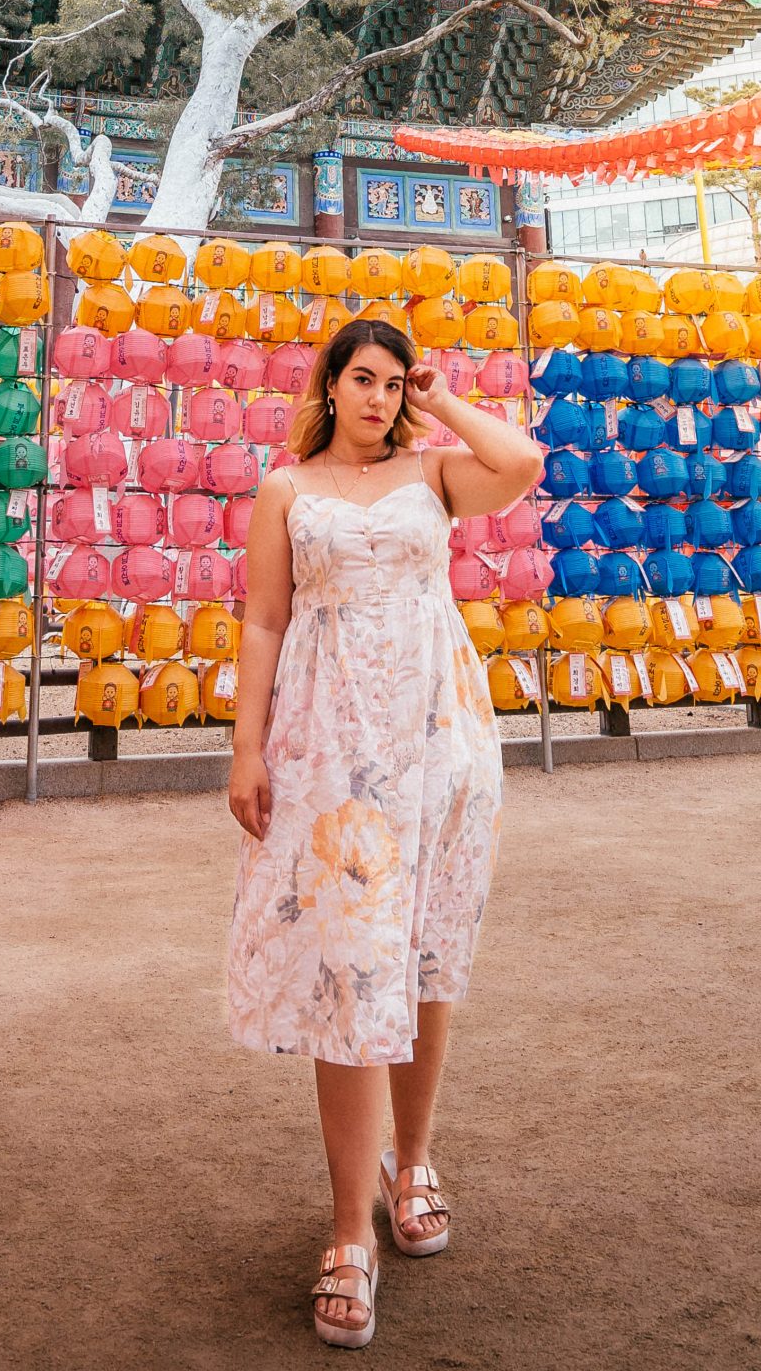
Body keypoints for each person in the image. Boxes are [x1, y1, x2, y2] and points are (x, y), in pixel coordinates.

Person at [225, 317, 544, 1349]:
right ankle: (345, 1229)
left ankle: (413, 1162)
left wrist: (441, 398)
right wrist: (245, 751)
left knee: (424, 958)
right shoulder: (286, 489)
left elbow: (521, 462)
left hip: (438, 741)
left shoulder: (435, 473)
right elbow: (263, 621)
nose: (375, 396)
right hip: (329, 750)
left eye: (390, 382)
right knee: (348, 973)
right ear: (329, 383)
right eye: (361, 378)